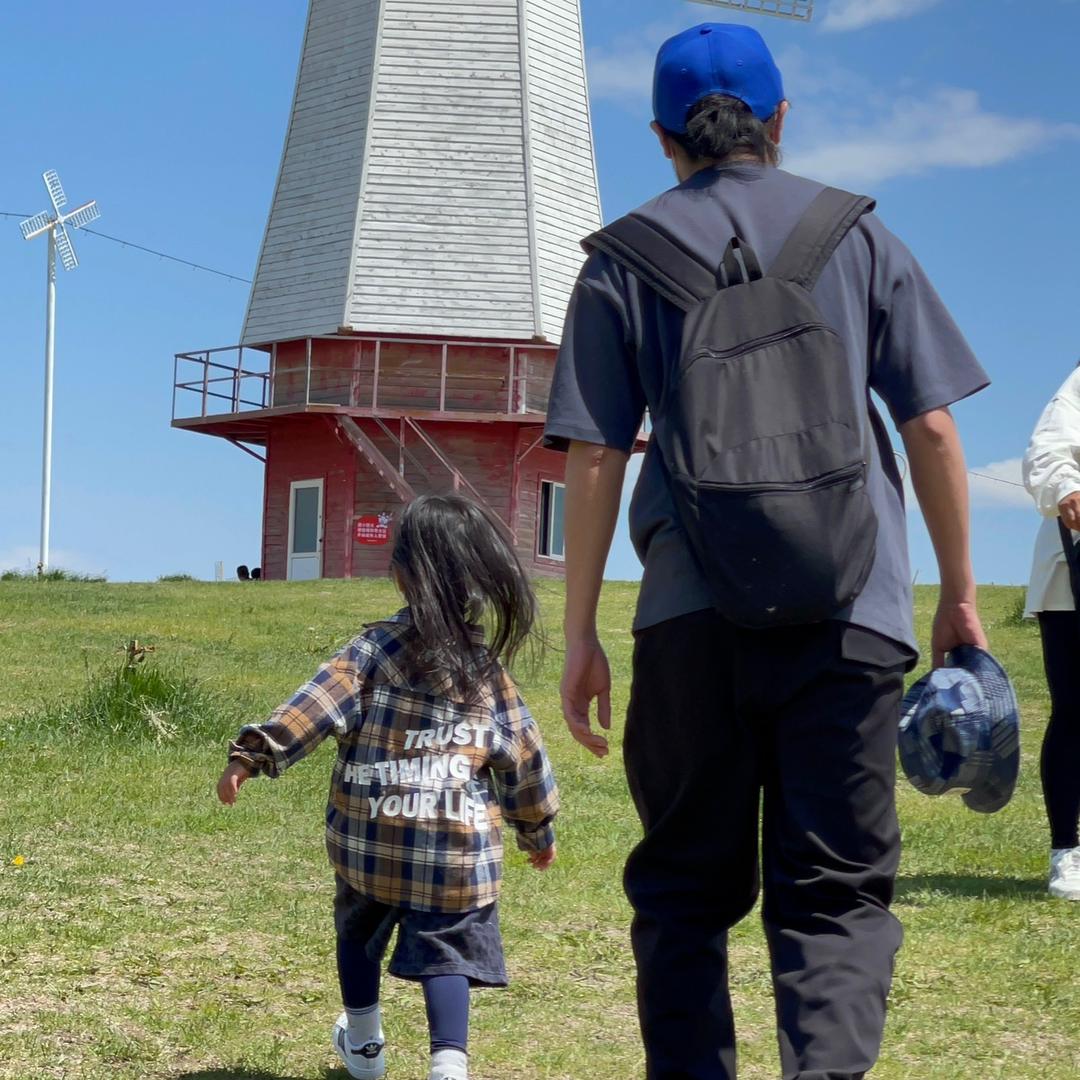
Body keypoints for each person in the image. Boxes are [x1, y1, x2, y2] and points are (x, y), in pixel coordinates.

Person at [544, 22, 989, 1080]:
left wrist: (582, 634)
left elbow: (595, 458)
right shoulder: (857, 233)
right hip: (853, 613)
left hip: (690, 622)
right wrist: (958, 598)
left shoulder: (620, 262)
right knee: (834, 898)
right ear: (780, 120)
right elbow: (931, 428)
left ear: (662, 138)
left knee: (686, 896)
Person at [216, 495, 559, 1080]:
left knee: (359, 932)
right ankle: (449, 1065)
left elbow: (314, 706)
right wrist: (537, 830)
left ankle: (366, 1048)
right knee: (447, 950)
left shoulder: (371, 652)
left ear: (401, 575)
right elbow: (524, 757)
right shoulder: (489, 675)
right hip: (455, 854)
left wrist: (252, 756)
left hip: (371, 845)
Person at [1023, 363, 1080, 900]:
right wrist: (1066, 490)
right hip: (1073, 572)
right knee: (1075, 709)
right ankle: (1068, 851)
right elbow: (1049, 447)